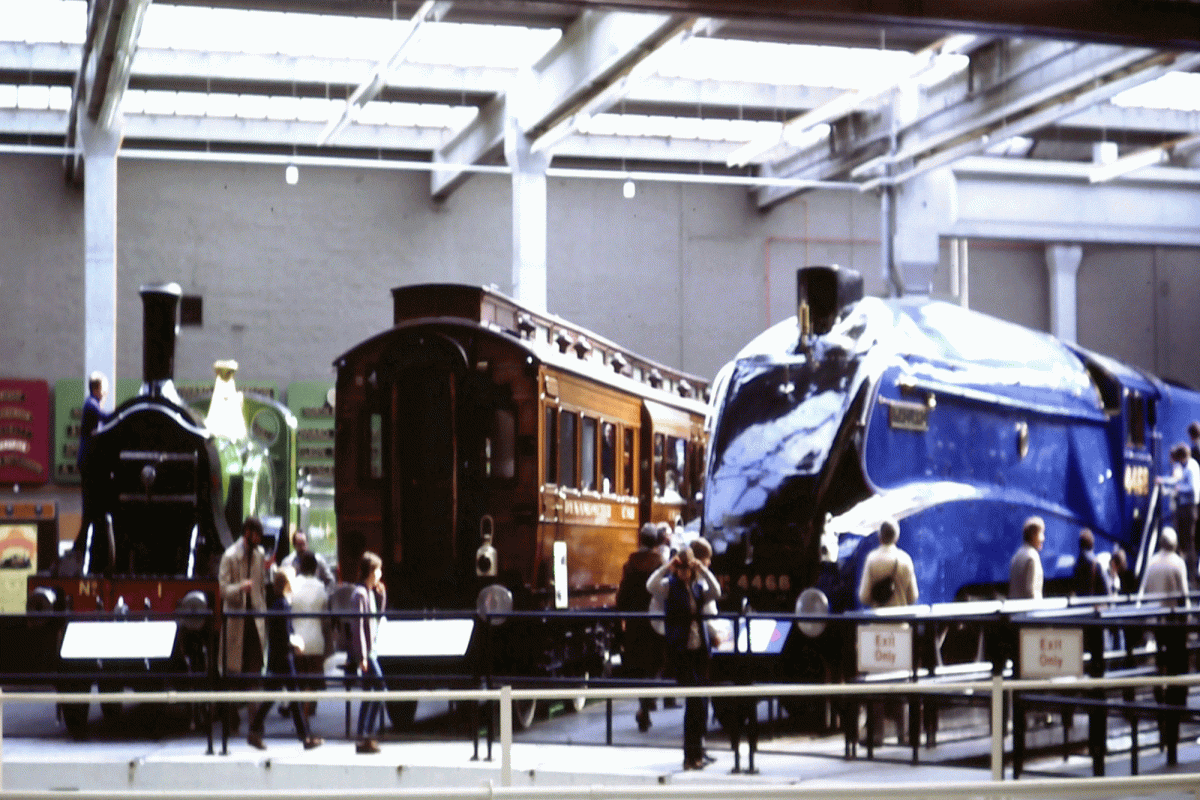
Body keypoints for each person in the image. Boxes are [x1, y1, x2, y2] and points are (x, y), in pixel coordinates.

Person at [646, 542, 721, 771]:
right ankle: (690, 755)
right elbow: (650, 585)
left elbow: (716, 591)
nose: (685, 573)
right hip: (682, 651)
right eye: (681, 569)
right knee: (693, 703)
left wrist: (703, 570)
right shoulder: (669, 587)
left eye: (688, 569)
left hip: (700, 650)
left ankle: (697, 753)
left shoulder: (698, 587)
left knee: (701, 703)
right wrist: (666, 568)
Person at [247, 566, 323, 750]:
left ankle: (255, 731)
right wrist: (295, 644)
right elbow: (284, 634)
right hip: (284, 658)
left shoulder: (278, 604)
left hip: (278, 657)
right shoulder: (282, 606)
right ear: (288, 584)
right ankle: (304, 737)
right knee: (293, 698)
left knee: (273, 697)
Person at [1139, 527, 1190, 764]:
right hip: (1174, 627)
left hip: (1157, 626)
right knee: (1178, 673)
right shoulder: (1178, 563)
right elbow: (1185, 597)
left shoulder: (1151, 563)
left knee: (1160, 670)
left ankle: (1162, 712)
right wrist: (1189, 622)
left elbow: (1145, 593)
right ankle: (1173, 723)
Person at [219, 515, 270, 734]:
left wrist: (263, 613)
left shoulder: (259, 555)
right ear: (247, 533)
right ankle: (232, 720)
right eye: (256, 536)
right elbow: (223, 589)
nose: (258, 541)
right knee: (233, 672)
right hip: (236, 621)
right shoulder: (230, 556)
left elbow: (262, 588)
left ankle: (255, 723)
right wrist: (240, 588)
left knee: (254, 672)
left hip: (255, 621)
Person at [616, 522, 666, 733]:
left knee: (639, 665)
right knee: (654, 664)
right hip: (654, 620)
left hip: (635, 621)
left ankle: (644, 705)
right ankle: (647, 702)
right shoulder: (660, 563)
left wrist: (623, 614)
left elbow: (622, 594)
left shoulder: (631, 563)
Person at [350, 551, 386, 754]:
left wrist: (382, 595)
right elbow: (358, 628)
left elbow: (378, 617)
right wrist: (362, 656)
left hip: (372, 650)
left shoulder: (370, 593)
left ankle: (363, 736)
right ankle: (366, 735)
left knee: (368, 693)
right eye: (378, 570)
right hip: (367, 653)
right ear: (371, 571)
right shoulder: (360, 594)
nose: (380, 573)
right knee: (380, 689)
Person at [289, 551, 330, 718]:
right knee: (312, 680)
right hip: (315, 639)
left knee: (300, 678)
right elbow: (324, 612)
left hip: (297, 639)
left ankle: (301, 712)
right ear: (315, 568)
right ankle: (307, 711)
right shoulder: (320, 587)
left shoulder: (293, 584)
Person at [1158, 443, 1199, 584]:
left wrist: (1178, 489)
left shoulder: (1191, 468)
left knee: (1188, 542)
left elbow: (1193, 489)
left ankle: (1191, 575)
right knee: (1183, 541)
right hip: (1185, 508)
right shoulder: (1186, 467)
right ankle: (1184, 573)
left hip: (1189, 508)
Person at [857, 518, 918, 608]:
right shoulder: (905, 559)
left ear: (879, 536)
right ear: (896, 537)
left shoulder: (872, 559)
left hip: (879, 616)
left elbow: (864, 597)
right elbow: (913, 597)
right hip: (900, 616)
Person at [76, 371, 110, 533]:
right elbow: (105, 418)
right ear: (96, 389)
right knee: (90, 502)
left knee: (90, 503)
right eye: (103, 389)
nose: (105, 393)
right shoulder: (91, 405)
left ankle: (84, 537)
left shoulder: (91, 403)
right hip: (88, 461)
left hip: (88, 460)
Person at [1009, 516, 1045, 600]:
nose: (1043, 538)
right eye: (1041, 533)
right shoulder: (1032, 557)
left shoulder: (1018, 554)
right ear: (1033, 535)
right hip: (1027, 607)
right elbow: (1031, 592)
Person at [1070, 528, 1109, 598]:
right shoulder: (1096, 564)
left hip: (1080, 603)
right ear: (1092, 544)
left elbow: (1074, 588)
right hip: (1094, 602)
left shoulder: (1077, 565)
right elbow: (1106, 591)